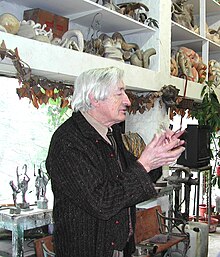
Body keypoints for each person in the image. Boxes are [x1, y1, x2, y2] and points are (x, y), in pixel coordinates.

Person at [46, 66, 185, 257]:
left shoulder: (111, 134)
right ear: (94, 98)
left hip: (120, 249)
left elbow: (131, 178)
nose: (127, 101)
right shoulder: (68, 142)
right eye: (119, 93)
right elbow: (102, 202)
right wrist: (145, 163)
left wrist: (158, 157)